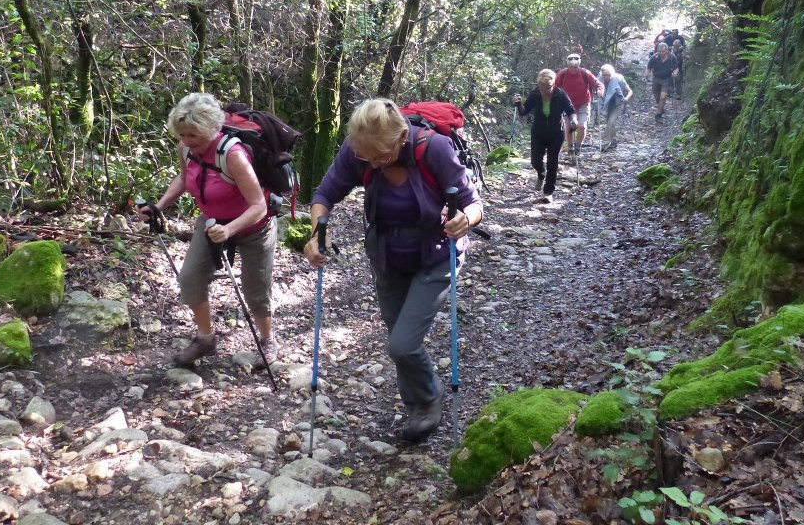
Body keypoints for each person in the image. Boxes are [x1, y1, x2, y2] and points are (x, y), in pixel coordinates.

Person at [304, 99, 483, 443]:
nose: (373, 163)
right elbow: (325, 194)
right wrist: (317, 233)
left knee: (402, 344)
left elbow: (473, 203)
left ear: (402, 136)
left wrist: (465, 220)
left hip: (436, 255)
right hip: (388, 257)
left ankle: (429, 400)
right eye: (366, 157)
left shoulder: (435, 149)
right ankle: (417, 403)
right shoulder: (358, 150)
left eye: (380, 156)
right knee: (399, 338)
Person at [139, 92, 278, 369]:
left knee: (255, 288)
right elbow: (184, 177)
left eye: (194, 136)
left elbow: (258, 205)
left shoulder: (233, 155)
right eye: (182, 134)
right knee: (190, 277)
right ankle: (205, 339)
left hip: (254, 226)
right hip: (211, 220)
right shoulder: (186, 148)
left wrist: (229, 231)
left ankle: (267, 339)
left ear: (210, 130)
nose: (188, 141)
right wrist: (160, 206)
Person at [513, 69, 576, 200]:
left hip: (556, 133)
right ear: (539, 85)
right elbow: (524, 112)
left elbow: (571, 110)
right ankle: (541, 174)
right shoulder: (535, 94)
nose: (546, 90)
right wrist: (518, 103)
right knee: (535, 161)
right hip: (538, 132)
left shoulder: (560, 94)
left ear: (553, 84)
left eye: (549, 87)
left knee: (552, 162)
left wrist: (574, 120)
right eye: (543, 88)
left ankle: (548, 192)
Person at [554, 53, 603, 155]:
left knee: (582, 126)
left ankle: (578, 146)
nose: (573, 69)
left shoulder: (585, 73)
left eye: (575, 67)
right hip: (567, 105)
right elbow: (554, 87)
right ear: (568, 66)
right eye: (571, 67)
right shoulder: (562, 74)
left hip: (583, 103)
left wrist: (600, 90)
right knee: (568, 126)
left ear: (579, 65)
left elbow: (598, 83)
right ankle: (570, 146)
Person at [597, 64, 633, 151]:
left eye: (608, 75)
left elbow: (630, 91)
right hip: (606, 105)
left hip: (618, 104)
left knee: (610, 122)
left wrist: (626, 98)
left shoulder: (618, 79)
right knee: (610, 123)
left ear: (611, 74)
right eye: (604, 75)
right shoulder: (599, 80)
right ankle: (613, 141)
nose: (606, 77)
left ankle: (606, 142)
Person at [644, 42, 679, 122]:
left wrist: (675, 73)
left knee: (663, 97)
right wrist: (646, 76)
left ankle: (658, 114)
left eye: (663, 51)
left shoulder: (671, 57)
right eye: (659, 51)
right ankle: (661, 108)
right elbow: (648, 67)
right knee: (657, 96)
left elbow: (676, 68)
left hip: (666, 79)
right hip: (656, 78)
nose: (661, 53)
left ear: (667, 51)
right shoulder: (654, 57)